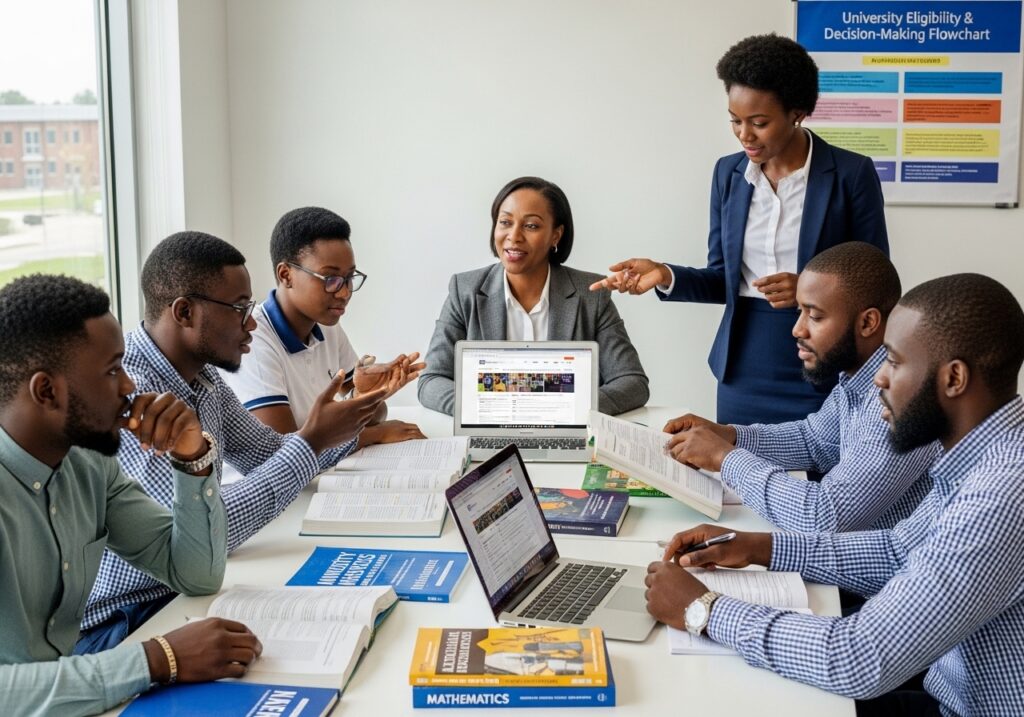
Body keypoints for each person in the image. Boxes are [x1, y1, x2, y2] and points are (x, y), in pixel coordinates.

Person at [645, 273, 1024, 716]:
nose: (879, 378)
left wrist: (703, 610)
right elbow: (898, 551)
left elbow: (859, 657)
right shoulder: (983, 455)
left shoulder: (1003, 491)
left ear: (954, 378)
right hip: (941, 686)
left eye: (896, 363)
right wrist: (759, 547)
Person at [79, 231, 400, 654]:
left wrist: (340, 428)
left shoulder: (203, 377)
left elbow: (268, 452)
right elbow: (203, 535)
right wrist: (314, 440)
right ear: (184, 312)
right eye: (239, 309)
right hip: (125, 622)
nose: (251, 322)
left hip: (183, 594)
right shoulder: (138, 398)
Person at [591, 34, 888, 425]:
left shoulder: (850, 174)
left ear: (797, 112)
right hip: (744, 366)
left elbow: (877, 286)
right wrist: (665, 275)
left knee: (818, 478)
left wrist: (807, 288)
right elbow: (723, 279)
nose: (744, 134)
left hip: (825, 365)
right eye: (735, 120)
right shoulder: (728, 174)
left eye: (759, 123)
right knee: (734, 475)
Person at [0, 275, 263, 716]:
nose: (128, 387)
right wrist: (158, 658)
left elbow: (196, 574)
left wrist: (192, 457)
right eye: (111, 370)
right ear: (46, 391)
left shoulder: (89, 464)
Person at [663, 242, 937, 533]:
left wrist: (725, 458)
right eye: (800, 312)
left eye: (815, 316)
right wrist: (730, 436)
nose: (797, 329)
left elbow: (824, 517)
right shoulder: (858, 375)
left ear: (868, 322)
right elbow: (814, 441)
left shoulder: (899, 398)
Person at [417, 176, 649, 416]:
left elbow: (632, 383)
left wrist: (567, 411)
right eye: (505, 222)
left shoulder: (591, 294)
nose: (514, 236)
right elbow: (431, 380)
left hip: (565, 431)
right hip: (488, 430)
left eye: (531, 226)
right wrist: (488, 411)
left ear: (555, 235)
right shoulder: (464, 289)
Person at [220, 206, 426, 447]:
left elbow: (376, 414)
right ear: (286, 275)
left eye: (350, 278)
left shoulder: (327, 325)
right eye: (331, 279)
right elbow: (281, 452)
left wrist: (370, 394)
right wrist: (376, 435)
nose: (345, 292)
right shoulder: (254, 340)